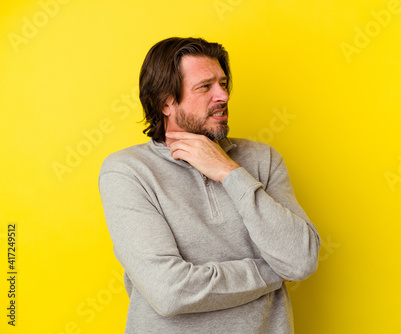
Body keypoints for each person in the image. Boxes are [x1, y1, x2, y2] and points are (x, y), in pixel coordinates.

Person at [99, 37, 321, 334]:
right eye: (205, 87)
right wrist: (273, 272)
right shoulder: (128, 171)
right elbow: (169, 291)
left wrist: (229, 172)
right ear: (166, 101)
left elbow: (301, 260)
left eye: (223, 83)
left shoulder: (262, 160)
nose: (223, 96)